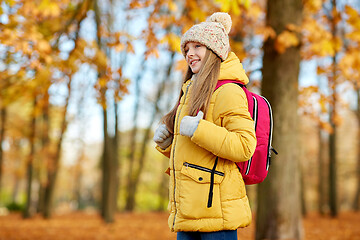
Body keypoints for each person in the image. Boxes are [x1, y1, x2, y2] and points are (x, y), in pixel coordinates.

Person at [153, 12, 257, 240]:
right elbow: (196, 154)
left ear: (214, 51)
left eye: (197, 47)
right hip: (188, 213)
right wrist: (168, 143)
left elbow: (244, 146)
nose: (190, 54)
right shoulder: (190, 91)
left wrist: (199, 130)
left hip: (216, 215)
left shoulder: (228, 91)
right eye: (187, 49)